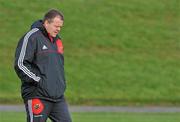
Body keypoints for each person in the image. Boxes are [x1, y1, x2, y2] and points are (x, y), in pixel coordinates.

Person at [14, 9, 72, 122]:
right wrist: (39, 80)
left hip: (57, 97)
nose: (58, 29)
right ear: (46, 23)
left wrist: (59, 84)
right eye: (56, 26)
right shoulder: (32, 37)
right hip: (37, 95)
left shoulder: (58, 40)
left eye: (60, 27)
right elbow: (20, 64)